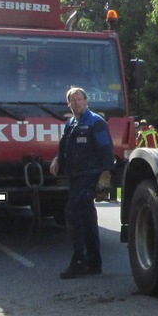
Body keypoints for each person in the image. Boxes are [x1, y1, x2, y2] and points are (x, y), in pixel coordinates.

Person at [50, 86, 115, 279]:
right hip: (76, 176)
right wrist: (57, 159)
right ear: (68, 104)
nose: (77, 103)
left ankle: (79, 262)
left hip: (90, 176)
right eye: (73, 100)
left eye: (80, 99)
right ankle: (94, 263)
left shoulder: (96, 122)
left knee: (72, 213)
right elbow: (65, 146)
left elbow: (106, 151)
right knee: (87, 219)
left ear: (86, 101)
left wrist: (104, 179)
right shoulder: (71, 123)